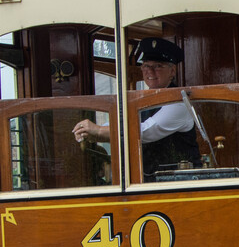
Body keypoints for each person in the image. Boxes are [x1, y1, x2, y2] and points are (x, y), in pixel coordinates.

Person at [72, 37, 201, 179]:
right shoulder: (141, 100)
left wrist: (99, 131)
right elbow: (120, 122)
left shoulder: (179, 103)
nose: (150, 71)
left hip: (181, 185)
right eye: (146, 65)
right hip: (148, 182)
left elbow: (145, 131)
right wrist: (91, 132)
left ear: (172, 71)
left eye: (158, 66)